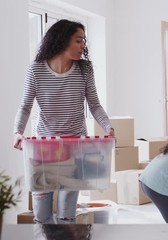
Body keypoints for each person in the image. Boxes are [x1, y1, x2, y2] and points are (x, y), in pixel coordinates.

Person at [13, 19, 115, 224]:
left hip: (75, 147)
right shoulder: (36, 70)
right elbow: (25, 106)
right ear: (62, 40)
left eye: (83, 41)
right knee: (42, 215)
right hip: (43, 149)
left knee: (67, 214)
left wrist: (108, 127)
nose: (83, 46)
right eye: (78, 40)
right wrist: (17, 131)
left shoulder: (84, 70)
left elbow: (94, 104)